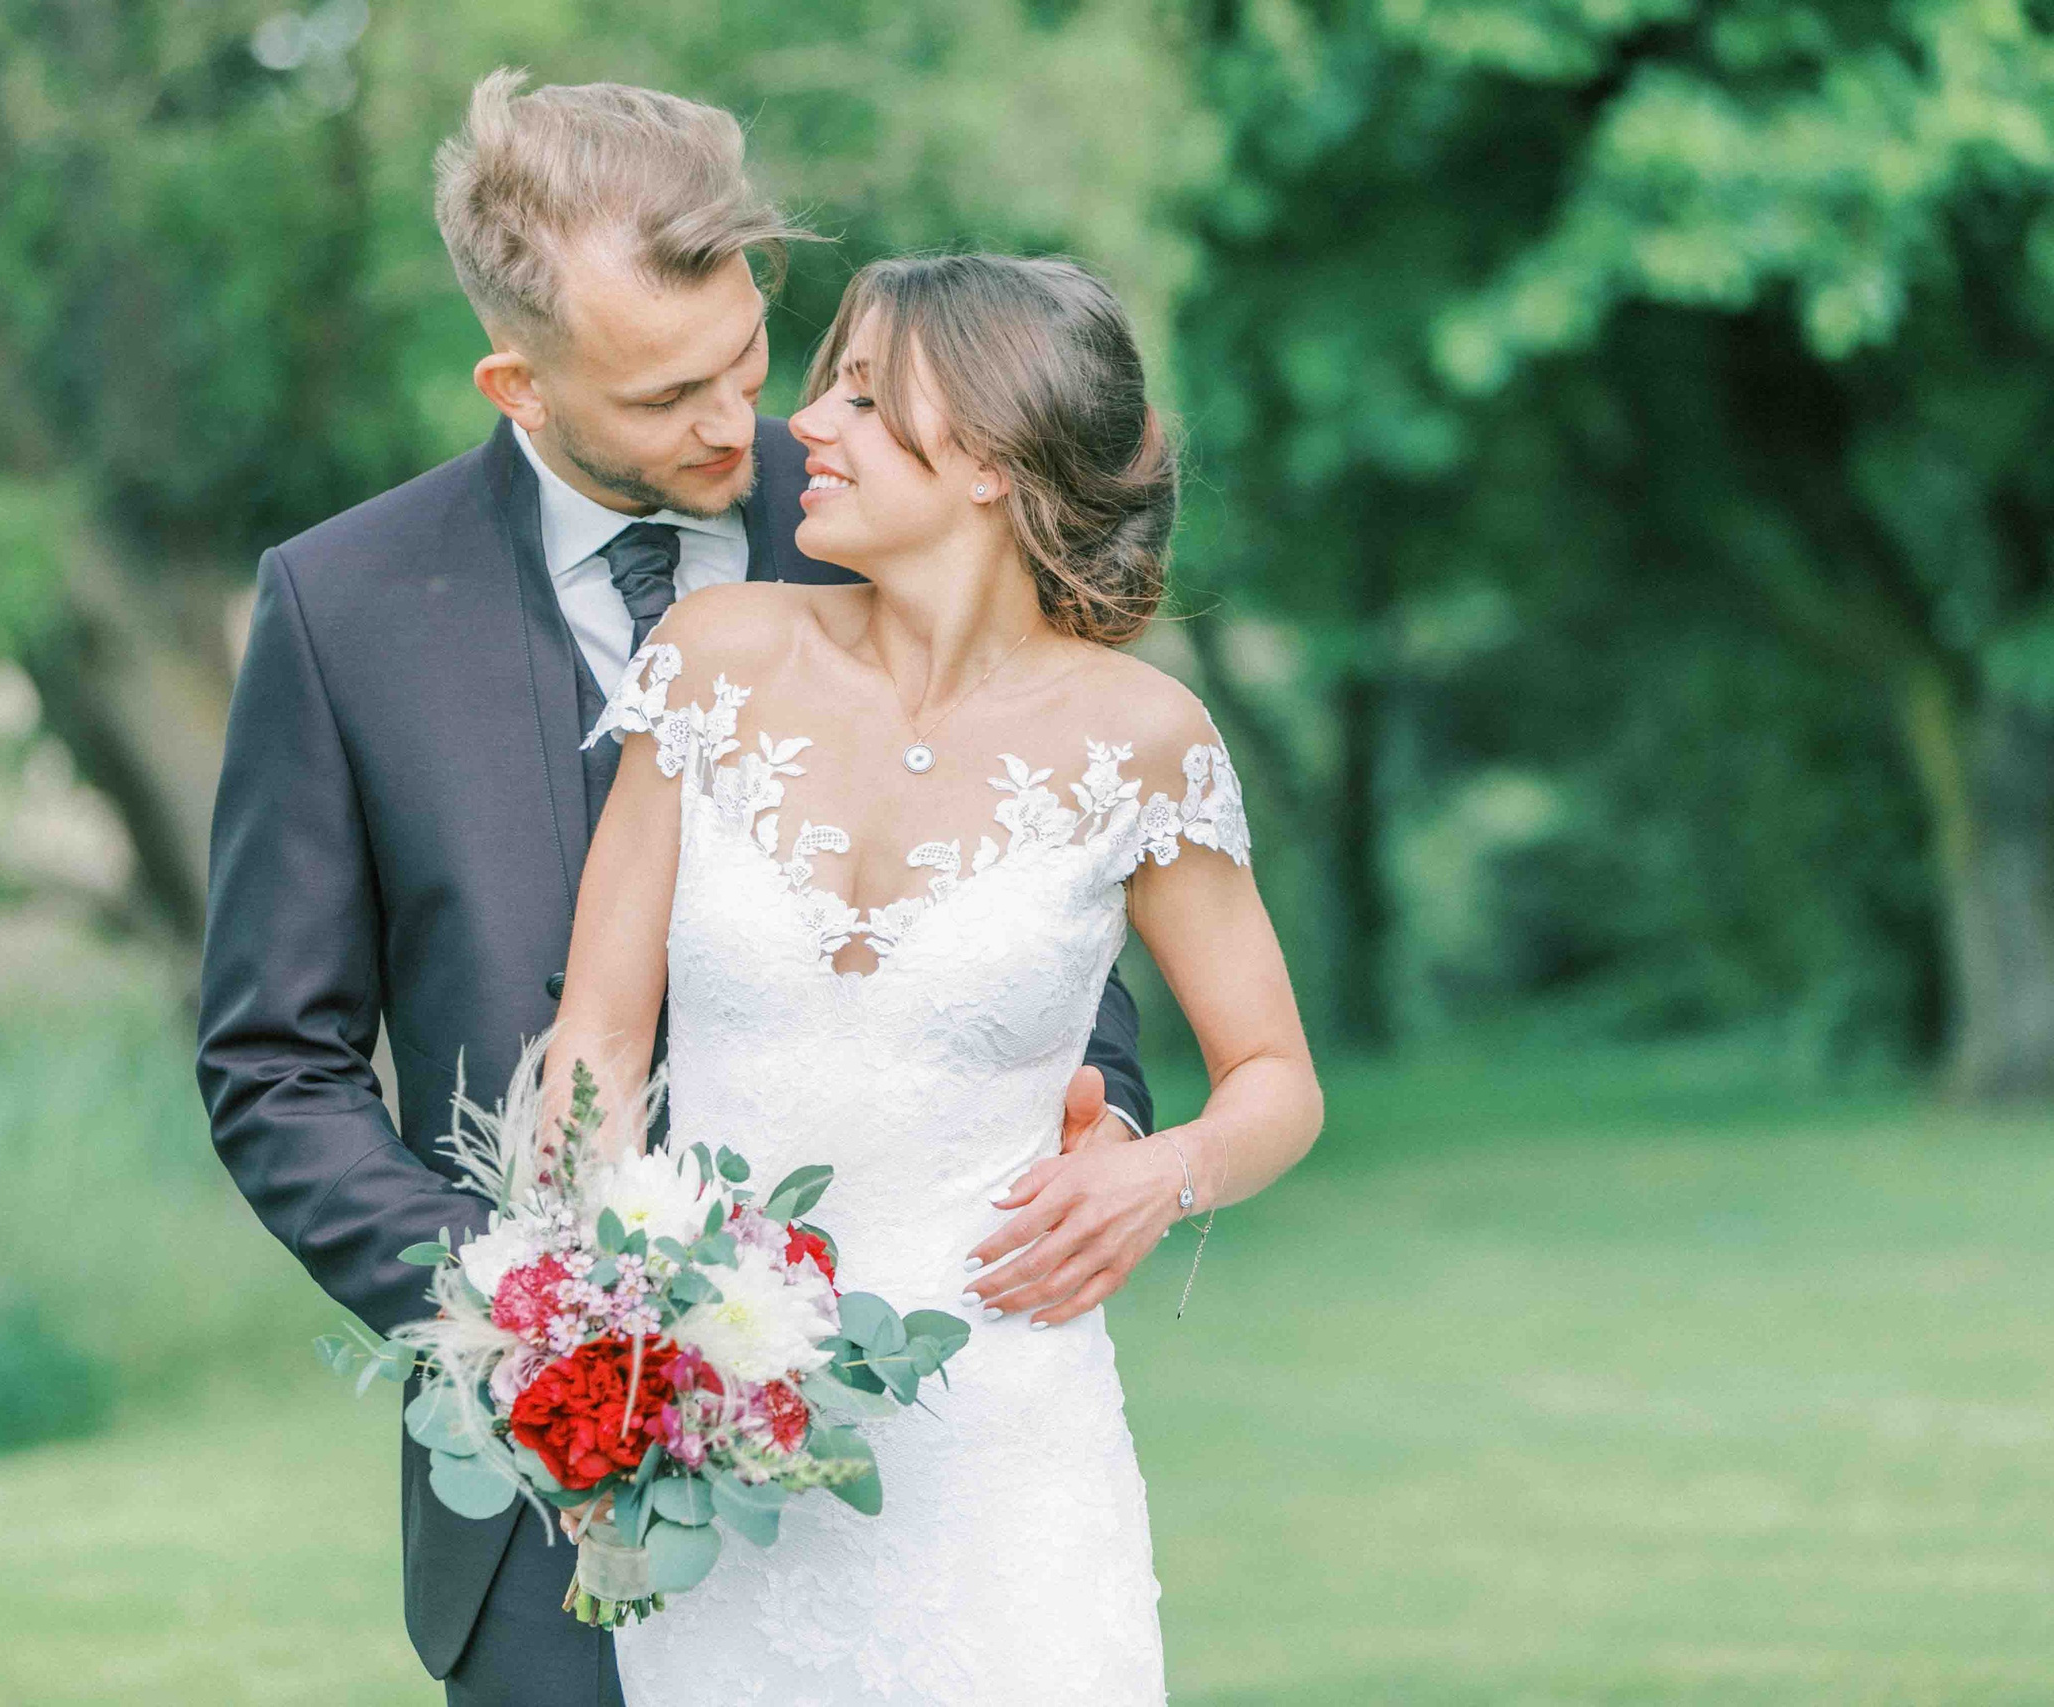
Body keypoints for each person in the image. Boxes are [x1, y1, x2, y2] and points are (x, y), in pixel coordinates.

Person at [194, 73, 1160, 1707]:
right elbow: (272, 1064)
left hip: (921, 1465)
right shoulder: (343, 609)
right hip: (543, 1508)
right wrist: (524, 1323)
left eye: (746, 363)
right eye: (663, 399)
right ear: (517, 381)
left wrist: (1108, 1125)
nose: (740, 428)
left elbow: (1045, 879)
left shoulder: (897, 521)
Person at [544, 251, 1325, 1703]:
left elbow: (1278, 1083)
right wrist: (606, 1335)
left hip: (1008, 1461)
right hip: (721, 1449)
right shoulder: (709, 659)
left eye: (858, 393)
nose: (804, 429)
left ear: (985, 453)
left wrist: (1167, 1173)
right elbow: (597, 1031)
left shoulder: (1142, 738)